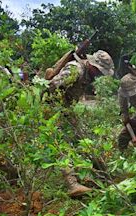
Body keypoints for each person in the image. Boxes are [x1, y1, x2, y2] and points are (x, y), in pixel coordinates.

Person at [49, 49, 114, 197]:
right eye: (99, 71)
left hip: (65, 109)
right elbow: (50, 87)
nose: (99, 75)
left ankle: (103, 174)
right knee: (60, 142)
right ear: (92, 65)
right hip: (52, 109)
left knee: (82, 138)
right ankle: (72, 184)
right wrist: (53, 113)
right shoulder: (75, 70)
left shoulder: (87, 74)